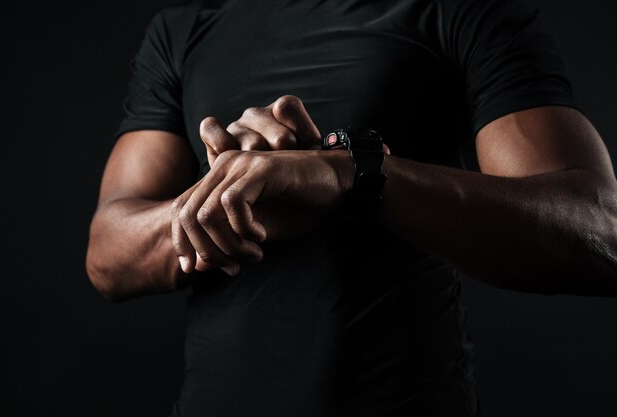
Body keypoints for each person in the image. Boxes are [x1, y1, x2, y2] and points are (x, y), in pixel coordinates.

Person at [85, 0, 617, 415]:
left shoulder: (460, 11)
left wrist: (350, 175)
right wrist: (232, 200)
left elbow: (598, 229)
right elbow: (108, 255)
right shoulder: (184, 29)